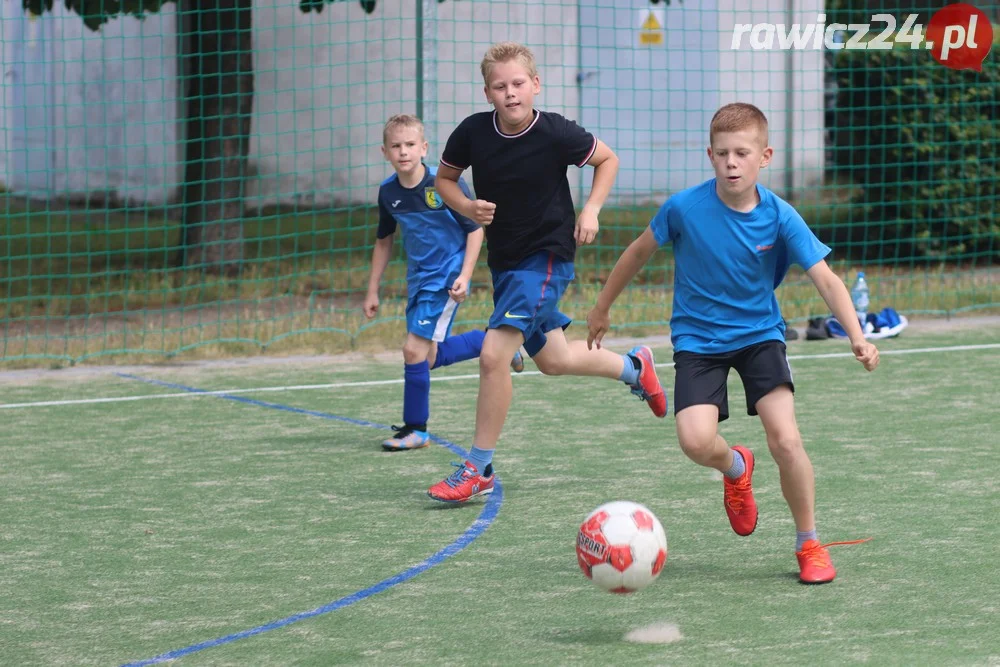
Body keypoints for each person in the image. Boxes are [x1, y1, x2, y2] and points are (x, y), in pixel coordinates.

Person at [586, 102, 880, 584]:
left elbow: (825, 279)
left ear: (764, 156)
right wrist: (602, 307)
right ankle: (736, 465)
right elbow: (638, 251)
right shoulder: (684, 207)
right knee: (695, 442)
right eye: (722, 153)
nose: (731, 163)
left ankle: (809, 542)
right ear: (710, 154)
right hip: (698, 340)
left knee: (786, 439)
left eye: (742, 153)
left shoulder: (781, 217)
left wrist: (857, 336)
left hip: (760, 336)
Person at [427, 42, 666, 503]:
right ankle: (635, 369)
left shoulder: (556, 132)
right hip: (507, 264)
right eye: (500, 86)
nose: (510, 93)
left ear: (535, 85)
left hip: (548, 257)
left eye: (518, 83)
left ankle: (478, 467)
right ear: (487, 92)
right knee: (554, 361)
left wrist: (592, 210)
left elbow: (608, 159)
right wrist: (467, 206)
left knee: (495, 355)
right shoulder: (472, 133)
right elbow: (444, 180)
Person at [364, 114, 524, 451]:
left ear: (423, 148)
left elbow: (475, 231)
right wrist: (372, 289)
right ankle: (491, 342)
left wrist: (464, 276)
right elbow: (383, 241)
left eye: (410, 144)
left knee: (412, 350)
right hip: (419, 281)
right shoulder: (388, 193)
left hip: (446, 279)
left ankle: (415, 429)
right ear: (385, 152)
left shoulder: (443, 186)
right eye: (396, 146)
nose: (403, 152)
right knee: (428, 356)